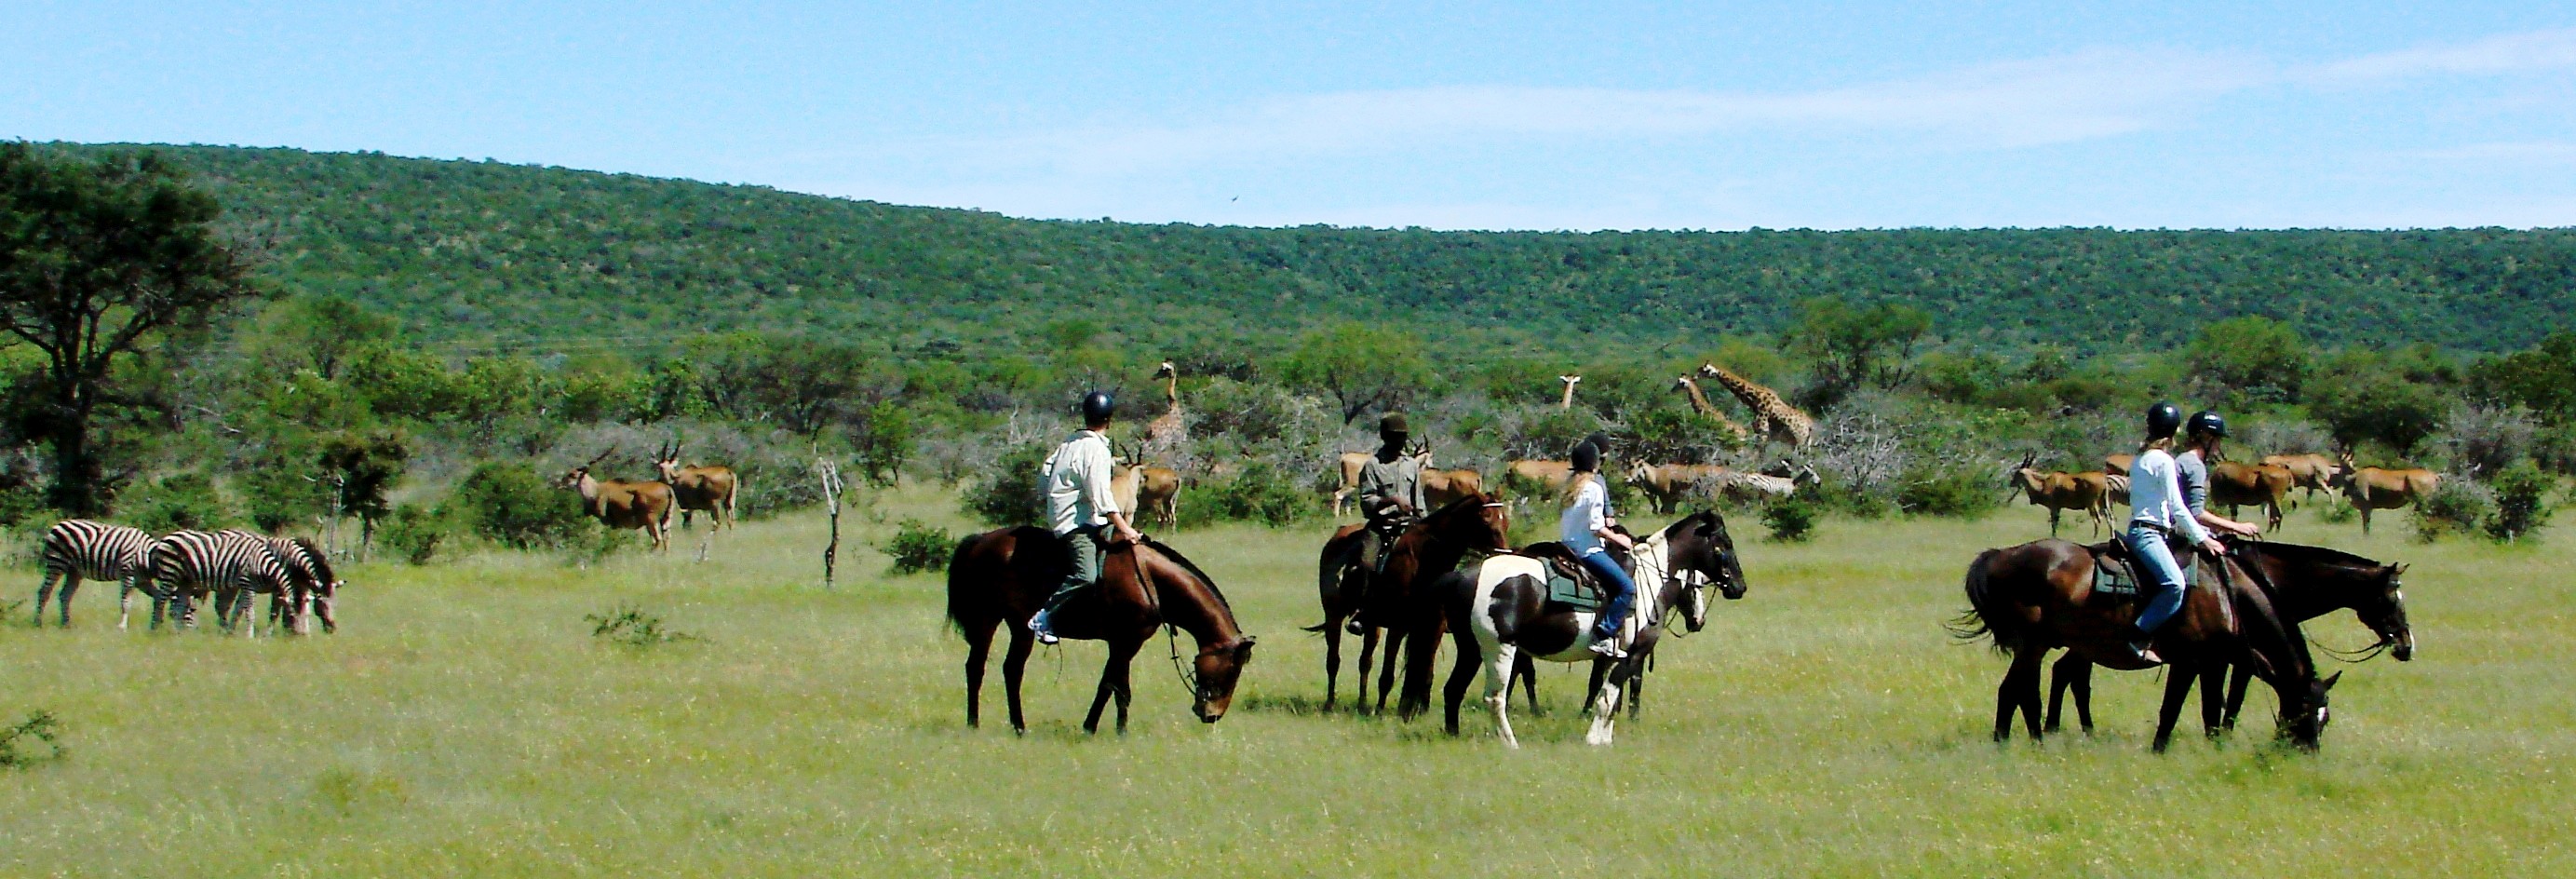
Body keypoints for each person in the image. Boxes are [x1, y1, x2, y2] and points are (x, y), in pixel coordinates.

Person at [1029, 390, 1143, 645]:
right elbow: (1100, 495)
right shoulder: (1096, 449)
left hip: (1066, 515)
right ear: (1109, 419)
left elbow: (1044, 477)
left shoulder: (1069, 443)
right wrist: (1125, 527)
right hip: (1075, 523)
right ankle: (1044, 617)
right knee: (1086, 576)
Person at [2124, 402, 2227, 665]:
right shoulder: (2164, 461)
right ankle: (2138, 635)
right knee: (2174, 585)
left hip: (2140, 529)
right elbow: (2177, 506)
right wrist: (2203, 539)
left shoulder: (2141, 458)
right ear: (2176, 430)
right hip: (2150, 534)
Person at [1344, 412, 1426, 636]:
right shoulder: (1372, 466)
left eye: (1402, 437)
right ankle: (1362, 612)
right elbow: (1367, 501)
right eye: (1395, 437)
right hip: (1382, 526)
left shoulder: (1411, 465)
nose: (1399, 441)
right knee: (1367, 564)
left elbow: (1419, 500)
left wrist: (1422, 521)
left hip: (1410, 525)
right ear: (1385, 437)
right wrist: (1392, 501)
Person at [1561, 435, 1638, 659]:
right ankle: (1603, 635)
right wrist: (1619, 539)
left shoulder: (1569, 487)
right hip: (1588, 551)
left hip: (1566, 546)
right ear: (1595, 463)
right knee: (1626, 588)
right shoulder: (1593, 488)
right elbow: (1596, 527)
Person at [2178, 411, 2263, 540]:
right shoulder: (2194, 466)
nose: (2218, 446)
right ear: (2206, 438)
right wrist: (2237, 527)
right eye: (2217, 440)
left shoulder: (2182, 460)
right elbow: (2196, 513)